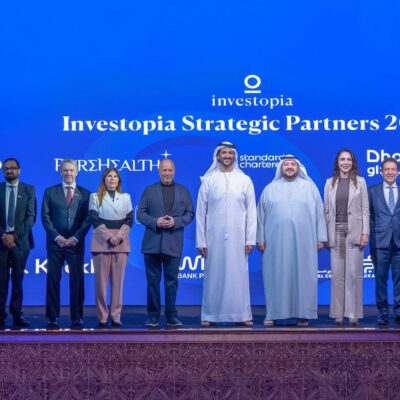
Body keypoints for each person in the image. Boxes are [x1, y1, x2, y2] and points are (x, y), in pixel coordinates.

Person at [256, 155, 327, 327]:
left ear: (298, 167)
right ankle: (273, 314)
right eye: (286, 164)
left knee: (304, 276)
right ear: (281, 168)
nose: (289, 167)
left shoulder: (310, 188)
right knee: (275, 276)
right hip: (275, 242)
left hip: (305, 241)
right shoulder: (270, 189)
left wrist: (320, 238)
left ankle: (304, 314)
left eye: (293, 164)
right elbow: (260, 217)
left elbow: (320, 214)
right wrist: (260, 238)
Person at [196, 142, 257, 326]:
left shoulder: (245, 180)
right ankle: (210, 316)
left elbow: (251, 211)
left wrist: (250, 239)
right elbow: (201, 212)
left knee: (239, 276)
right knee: (214, 276)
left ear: (234, 156)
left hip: (239, 238)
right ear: (218, 155)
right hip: (213, 238)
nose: (227, 156)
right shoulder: (209, 180)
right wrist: (201, 241)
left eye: (230, 153)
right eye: (224, 152)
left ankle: (242, 315)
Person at [137, 159, 194, 327]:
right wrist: (155, 221)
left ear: (174, 171)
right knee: (152, 283)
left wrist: (176, 222)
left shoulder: (184, 191)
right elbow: (140, 214)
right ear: (159, 171)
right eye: (164, 170)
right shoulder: (149, 190)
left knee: (172, 282)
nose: (167, 173)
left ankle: (171, 316)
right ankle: (153, 317)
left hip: (173, 243)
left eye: (170, 170)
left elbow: (190, 214)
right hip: (152, 244)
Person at [42, 159, 91, 327]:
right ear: (60, 172)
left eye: (71, 170)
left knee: (77, 281)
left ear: (77, 172)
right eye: (65, 170)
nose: (68, 173)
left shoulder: (86, 194)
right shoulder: (50, 192)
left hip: (75, 244)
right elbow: (45, 217)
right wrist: (56, 236)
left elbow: (88, 219)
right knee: (53, 281)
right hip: (55, 244)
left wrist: (76, 237)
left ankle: (77, 316)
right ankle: (52, 316)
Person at [324, 149, 369, 326]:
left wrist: (365, 233)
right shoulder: (329, 183)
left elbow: (365, 209)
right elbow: (326, 211)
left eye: (348, 159)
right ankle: (338, 313)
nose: (345, 162)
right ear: (337, 162)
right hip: (335, 232)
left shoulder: (360, 182)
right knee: (337, 275)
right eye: (342, 159)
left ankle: (353, 313)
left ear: (353, 162)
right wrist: (325, 235)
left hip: (355, 232)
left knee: (353, 274)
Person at [89, 167, 133, 327]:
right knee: (100, 284)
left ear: (119, 180)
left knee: (118, 283)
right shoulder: (94, 197)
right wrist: (109, 237)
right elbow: (94, 219)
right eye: (109, 176)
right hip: (101, 243)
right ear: (104, 179)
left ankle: (115, 316)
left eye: (115, 176)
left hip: (121, 243)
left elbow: (129, 220)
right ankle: (102, 316)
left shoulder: (126, 197)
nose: (112, 178)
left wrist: (118, 237)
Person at [0, 158, 36, 327]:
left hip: (21, 242)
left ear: (19, 170)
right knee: (1, 280)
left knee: (17, 280)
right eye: (6, 168)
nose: (9, 171)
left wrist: (14, 237)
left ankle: (17, 314)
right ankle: (0, 315)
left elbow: (31, 217)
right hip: (1, 241)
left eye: (13, 168)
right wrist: (3, 235)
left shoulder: (28, 189)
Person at [369, 157, 400, 325]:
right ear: (381, 172)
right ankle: (382, 312)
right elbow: (367, 216)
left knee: (399, 279)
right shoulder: (372, 191)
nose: (390, 172)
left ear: (398, 172)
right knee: (380, 279)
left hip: (399, 242)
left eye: (393, 169)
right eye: (387, 169)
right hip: (379, 241)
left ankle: (399, 311)